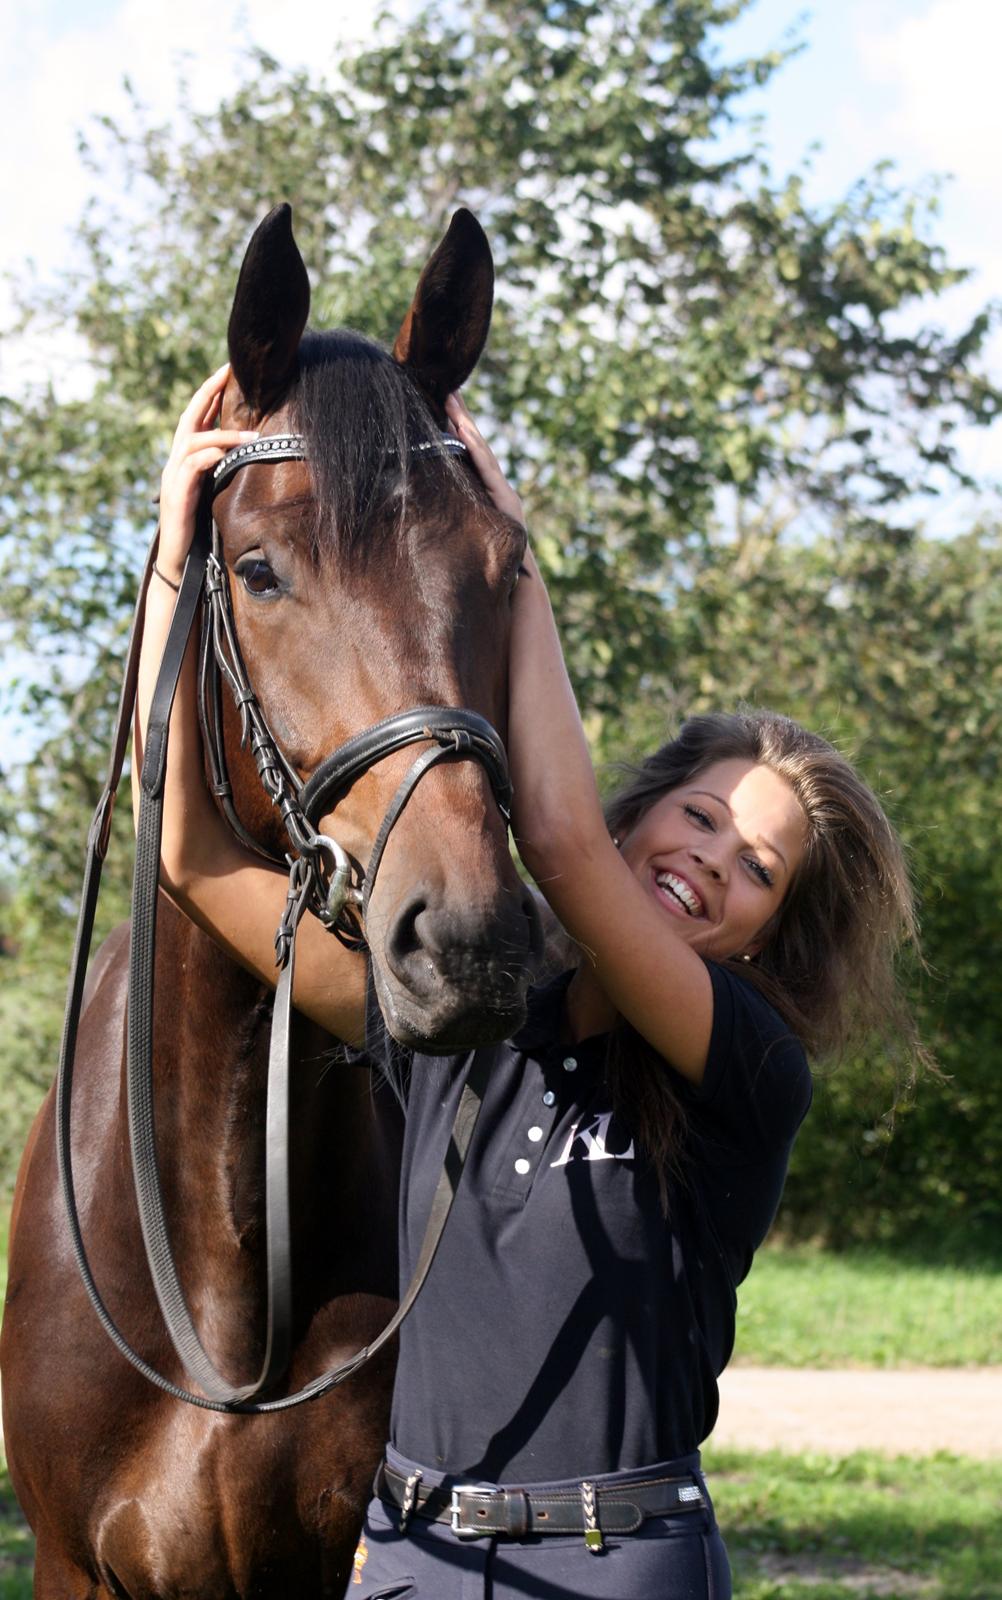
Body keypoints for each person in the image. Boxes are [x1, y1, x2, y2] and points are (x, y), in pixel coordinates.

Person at [141, 368, 920, 1599]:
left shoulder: (749, 1065)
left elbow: (554, 835)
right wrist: (177, 558)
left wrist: (511, 556)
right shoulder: (464, 1024)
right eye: (700, 816)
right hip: (408, 1556)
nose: (708, 860)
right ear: (647, 810)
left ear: (770, 932)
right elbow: (187, 851)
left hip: (618, 1558)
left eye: (755, 866)